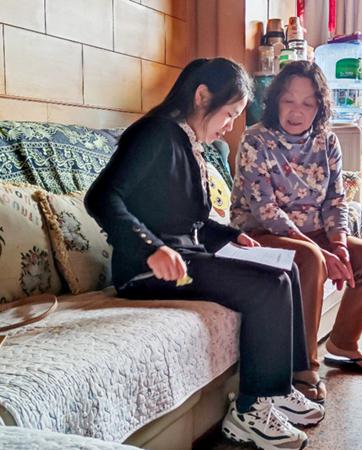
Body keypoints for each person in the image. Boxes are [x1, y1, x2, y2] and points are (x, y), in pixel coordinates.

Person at [85, 57, 324, 450]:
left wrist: (233, 236)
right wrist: (151, 248)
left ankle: (280, 388)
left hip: (186, 257)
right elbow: (101, 197)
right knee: (267, 287)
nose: (229, 126)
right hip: (147, 271)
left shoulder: (188, 142)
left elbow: (190, 221)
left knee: (286, 270)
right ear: (201, 96)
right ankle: (249, 411)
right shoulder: (154, 133)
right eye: (229, 114)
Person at [231, 61, 362, 404]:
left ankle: (344, 343)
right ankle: (302, 368)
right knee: (310, 257)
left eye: (308, 103)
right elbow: (266, 211)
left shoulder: (327, 141)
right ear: (275, 101)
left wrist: (340, 245)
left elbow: (335, 200)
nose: (297, 111)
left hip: (313, 234)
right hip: (262, 232)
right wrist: (320, 250)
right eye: (289, 100)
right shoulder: (255, 139)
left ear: (319, 107)